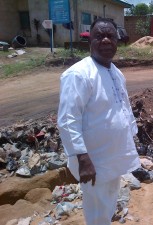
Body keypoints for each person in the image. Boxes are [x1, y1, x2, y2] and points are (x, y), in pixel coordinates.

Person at [57, 18, 140, 225]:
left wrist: (131, 138)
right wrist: (82, 158)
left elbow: (124, 108)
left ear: (117, 41)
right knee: (96, 205)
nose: (105, 40)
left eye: (110, 36)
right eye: (99, 36)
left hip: (114, 154)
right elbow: (68, 119)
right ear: (89, 42)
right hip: (93, 159)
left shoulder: (116, 72)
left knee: (109, 200)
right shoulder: (78, 74)